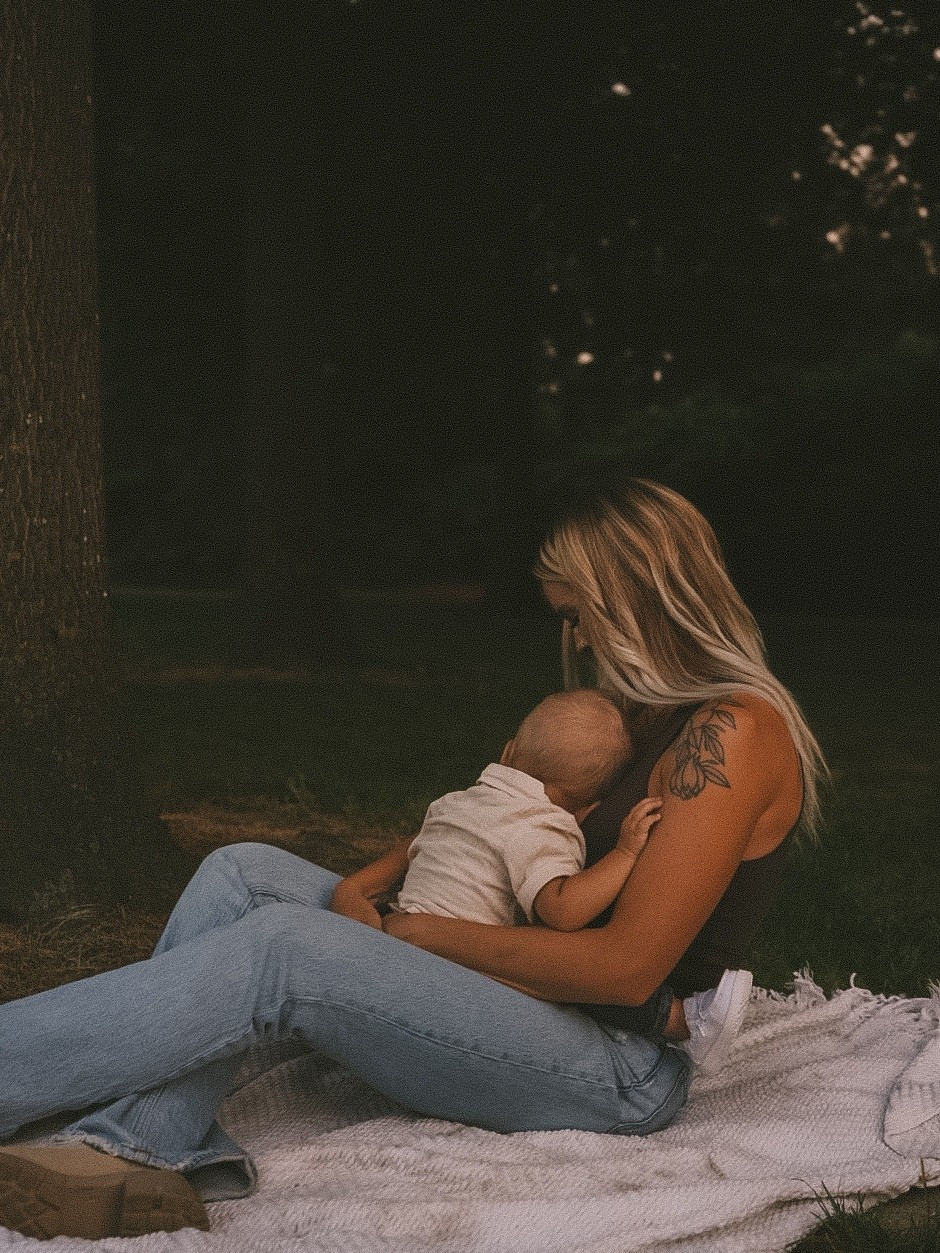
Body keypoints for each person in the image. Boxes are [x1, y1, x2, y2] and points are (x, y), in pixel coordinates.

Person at [0, 477, 825, 1241]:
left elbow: (625, 970)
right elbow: (498, 817)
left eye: (580, 613)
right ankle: (142, 1139)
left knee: (288, 951)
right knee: (245, 871)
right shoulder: (636, 714)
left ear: (635, 598)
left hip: (617, 1063)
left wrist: (413, 936)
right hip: (529, 994)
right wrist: (382, 890)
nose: (573, 635)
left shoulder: (734, 733)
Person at [367, 687, 753, 1067]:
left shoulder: (453, 803)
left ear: (508, 752)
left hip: (404, 939)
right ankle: (684, 1020)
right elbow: (563, 909)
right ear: (588, 807)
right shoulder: (539, 824)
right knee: (567, 981)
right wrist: (624, 853)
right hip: (459, 968)